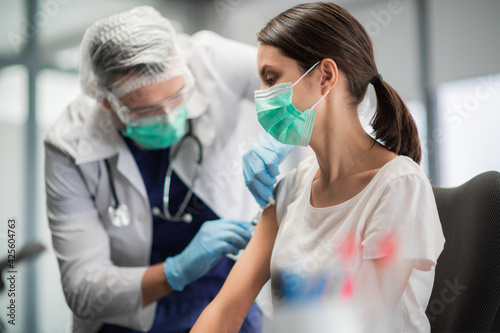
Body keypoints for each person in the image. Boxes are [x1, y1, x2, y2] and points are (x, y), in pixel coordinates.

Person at [191, 2, 445, 332]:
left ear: (325, 76)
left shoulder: (398, 186)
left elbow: (364, 324)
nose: (263, 97)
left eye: (272, 79)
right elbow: (225, 310)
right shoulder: (291, 188)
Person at [44, 6, 290, 333]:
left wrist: (282, 135)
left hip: (227, 296)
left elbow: (308, 85)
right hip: (131, 317)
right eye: (146, 109)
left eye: (177, 96)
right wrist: (176, 271)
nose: (168, 115)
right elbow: (82, 289)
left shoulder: (211, 61)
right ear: (107, 102)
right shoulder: (70, 144)